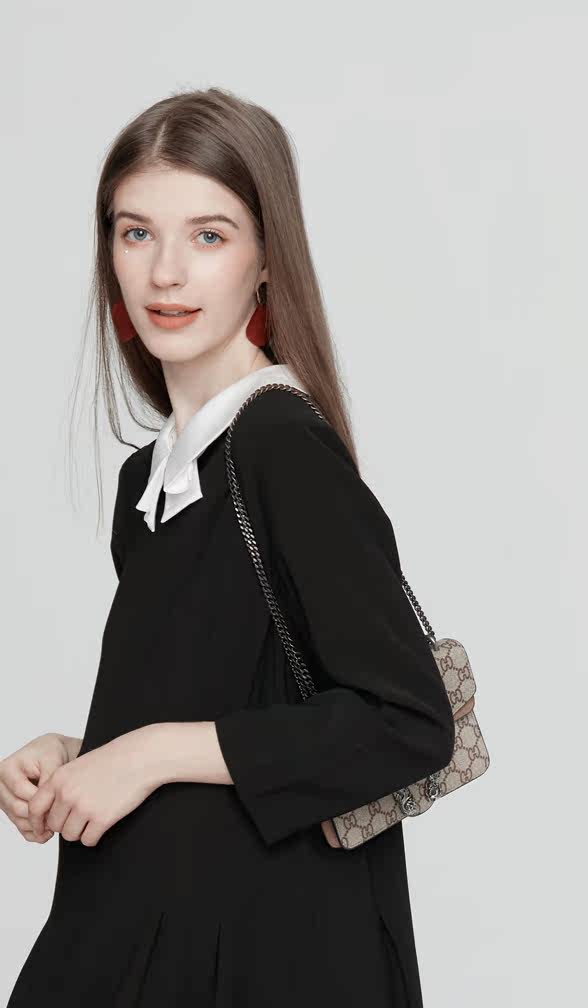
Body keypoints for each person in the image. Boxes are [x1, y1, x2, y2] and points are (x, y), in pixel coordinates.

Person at [1, 87, 455, 1006]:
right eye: (136, 233)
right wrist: (93, 752)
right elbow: (234, 704)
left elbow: (409, 723)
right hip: (157, 924)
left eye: (208, 235)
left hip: (263, 949)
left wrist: (148, 753)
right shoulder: (154, 478)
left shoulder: (280, 445)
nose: (166, 272)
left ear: (266, 259)